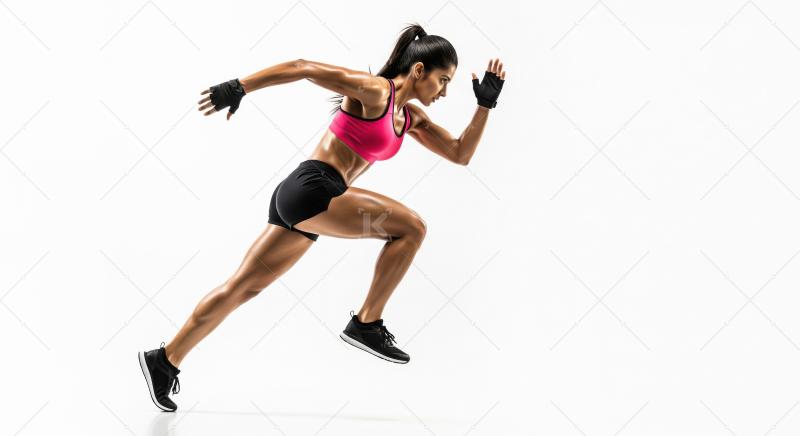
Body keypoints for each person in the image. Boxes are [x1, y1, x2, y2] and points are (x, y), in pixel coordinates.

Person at [138, 22, 506, 412]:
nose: (446, 91)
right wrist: (239, 86)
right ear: (419, 71)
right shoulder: (377, 92)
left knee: (241, 288)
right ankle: (366, 324)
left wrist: (485, 106)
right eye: (443, 80)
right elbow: (304, 67)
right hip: (316, 189)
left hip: (304, 201)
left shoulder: (408, 118)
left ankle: (164, 360)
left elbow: (460, 153)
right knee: (411, 227)